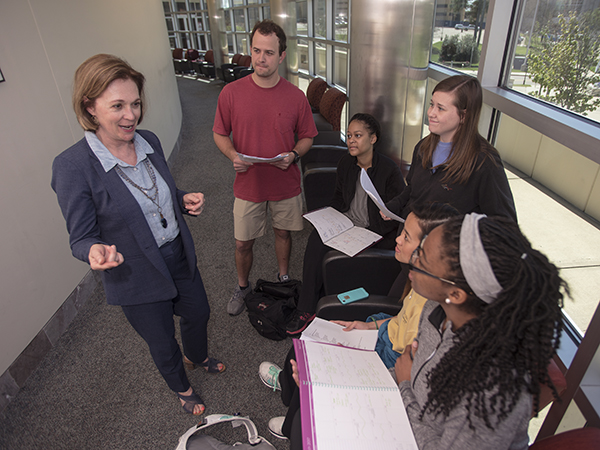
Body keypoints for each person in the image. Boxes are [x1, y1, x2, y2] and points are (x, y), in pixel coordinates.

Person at [51, 54, 223, 416]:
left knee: (199, 312)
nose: (131, 115)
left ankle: (197, 356)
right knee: (162, 341)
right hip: (137, 273)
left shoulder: (149, 141)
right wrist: (94, 251)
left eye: (135, 103)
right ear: (90, 106)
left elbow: (156, 194)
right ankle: (182, 387)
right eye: (117, 105)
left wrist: (181, 199)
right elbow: (80, 237)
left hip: (178, 253)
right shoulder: (73, 166)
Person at [393, 213, 565, 449]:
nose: (413, 260)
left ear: (455, 294)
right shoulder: (437, 309)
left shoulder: (491, 388)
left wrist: (405, 388)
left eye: (422, 258)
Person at [213, 20, 318, 316]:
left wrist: (295, 155)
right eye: (257, 50)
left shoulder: (296, 96)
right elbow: (219, 133)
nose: (261, 58)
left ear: (281, 56)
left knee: (283, 234)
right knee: (242, 243)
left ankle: (283, 277)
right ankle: (242, 285)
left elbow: (308, 136)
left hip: (285, 180)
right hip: (249, 183)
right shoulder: (231, 94)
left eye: (269, 53)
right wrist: (232, 154)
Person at [285, 113, 405, 334]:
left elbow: (395, 215)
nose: (351, 140)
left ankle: (319, 300)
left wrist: (367, 232)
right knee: (316, 239)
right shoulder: (346, 163)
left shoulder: (389, 171)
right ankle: (306, 308)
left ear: (373, 139)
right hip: (347, 225)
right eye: (349, 135)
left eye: (357, 135)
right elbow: (339, 199)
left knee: (330, 252)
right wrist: (328, 217)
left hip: (374, 233)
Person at [331, 202, 459, 368]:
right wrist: (369, 326)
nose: (398, 239)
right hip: (387, 331)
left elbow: (403, 365)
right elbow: (402, 320)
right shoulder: (420, 282)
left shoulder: (429, 311)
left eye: (406, 237)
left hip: (394, 357)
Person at [385, 75, 517, 222]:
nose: (431, 113)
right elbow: (412, 190)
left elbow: (505, 222)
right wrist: (394, 205)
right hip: (410, 240)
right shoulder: (423, 147)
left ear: (463, 116)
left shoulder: (485, 163)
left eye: (441, 108)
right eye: (432, 104)